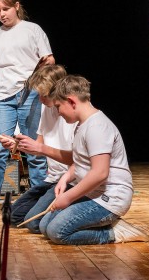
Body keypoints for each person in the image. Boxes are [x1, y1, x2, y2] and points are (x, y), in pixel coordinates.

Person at [0, 0, 54, 219]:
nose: (2, 14)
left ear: (17, 6)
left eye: (6, 9)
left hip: (29, 93)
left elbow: (50, 60)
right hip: (1, 97)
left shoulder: (33, 30)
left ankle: (39, 199)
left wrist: (44, 66)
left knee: (34, 149)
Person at [37, 75, 139, 245]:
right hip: (93, 194)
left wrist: (68, 197)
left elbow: (100, 173)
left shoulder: (97, 126)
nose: (58, 112)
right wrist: (65, 177)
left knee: (57, 232)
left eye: (58, 106)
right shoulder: (82, 125)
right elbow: (81, 160)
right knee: (44, 225)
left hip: (110, 199)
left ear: (71, 101)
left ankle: (113, 232)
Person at [3, 64, 72, 232]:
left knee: (33, 223)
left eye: (44, 95)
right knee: (13, 216)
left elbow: (78, 159)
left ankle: (72, 209)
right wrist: (17, 145)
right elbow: (39, 145)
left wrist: (39, 148)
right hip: (52, 179)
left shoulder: (71, 115)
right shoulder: (46, 108)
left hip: (70, 180)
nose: (40, 99)